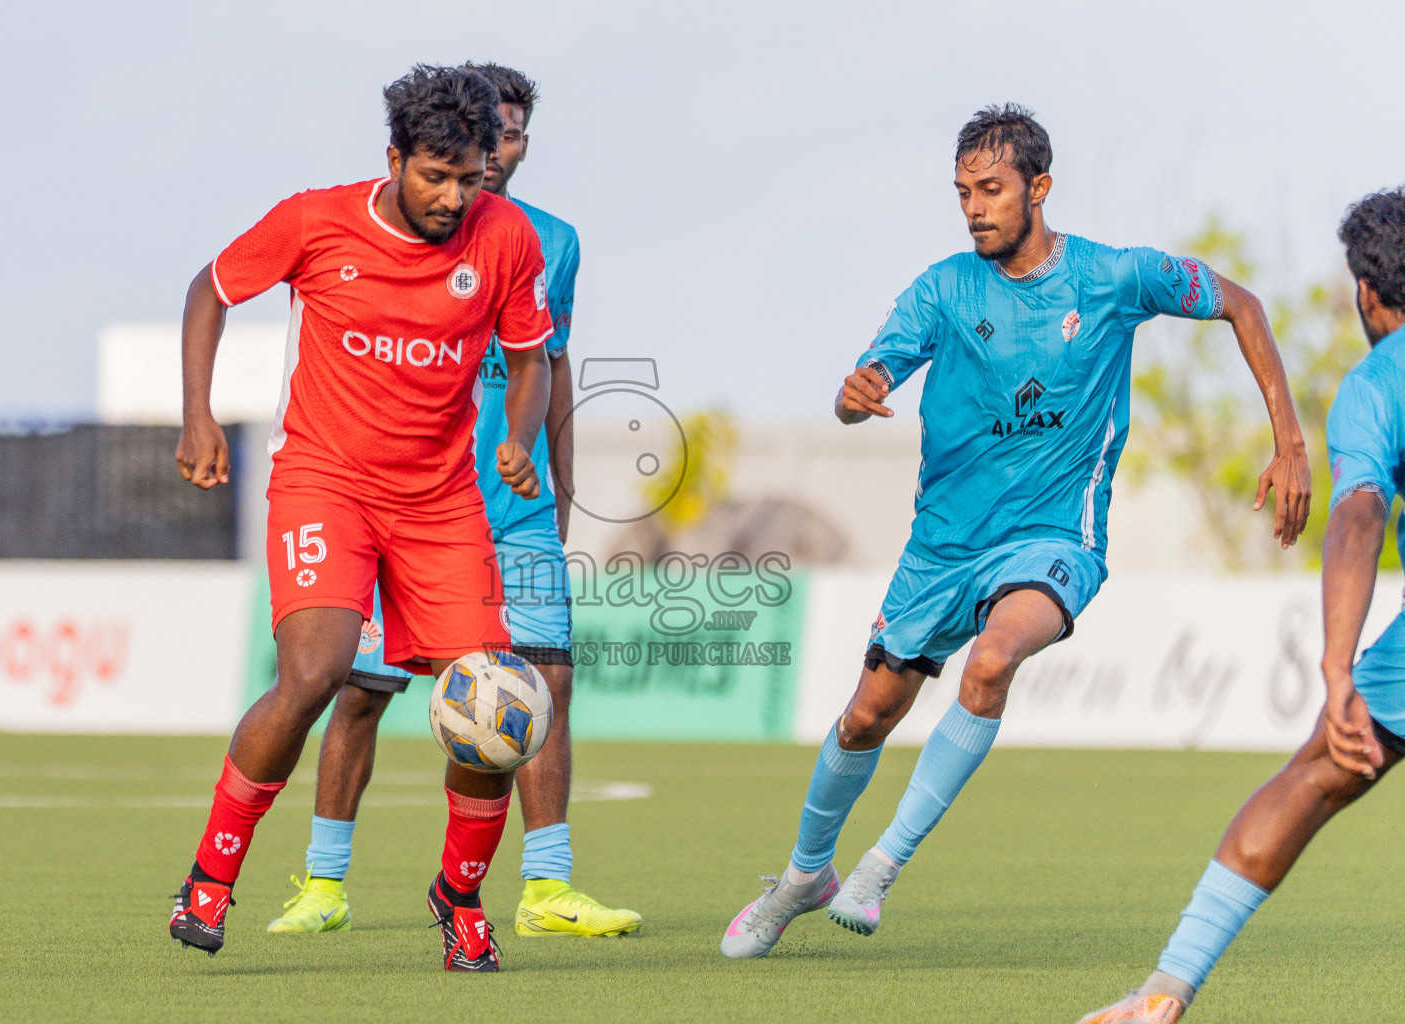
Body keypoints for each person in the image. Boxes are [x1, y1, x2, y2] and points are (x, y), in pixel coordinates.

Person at [719, 103, 1312, 959]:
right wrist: (856, 394)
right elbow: (874, 376)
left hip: (1053, 538)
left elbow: (1244, 304)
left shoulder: (1114, 278)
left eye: (991, 189)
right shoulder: (942, 289)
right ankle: (805, 876)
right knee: (862, 720)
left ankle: (883, 866)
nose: (974, 208)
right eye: (961, 192)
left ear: (1038, 188)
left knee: (993, 660)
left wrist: (1289, 443)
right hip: (942, 547)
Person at [167, 64, 553, 973]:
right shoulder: (314, 221)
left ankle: (459, 897)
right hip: (325, 483)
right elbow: (209, 291)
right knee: (316, 673)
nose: (456, 196)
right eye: (436, 175)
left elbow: (532, 359)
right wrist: (198, 412)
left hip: (440, 500)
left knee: (498, 710)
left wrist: (521, 440)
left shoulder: (508, 239)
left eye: (471, 177)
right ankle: (211, 878)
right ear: (394, 158)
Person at [266, 62, 641, 941]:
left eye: (515, 137)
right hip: (410, 507)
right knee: (360, 691)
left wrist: (562, 478)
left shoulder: (552, 240)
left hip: (515, 508)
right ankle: (323, 882)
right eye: (493, 133)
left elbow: (547, 362)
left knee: (543, 682)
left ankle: (547, 886)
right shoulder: (396, 229)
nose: (503, 151)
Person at [1075, 186, 1405, 1023]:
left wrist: (1336, 670)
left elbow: (1361, 515)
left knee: (1312, 779)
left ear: (1366, 293)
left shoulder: (1376, 387)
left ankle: (1164, 991)